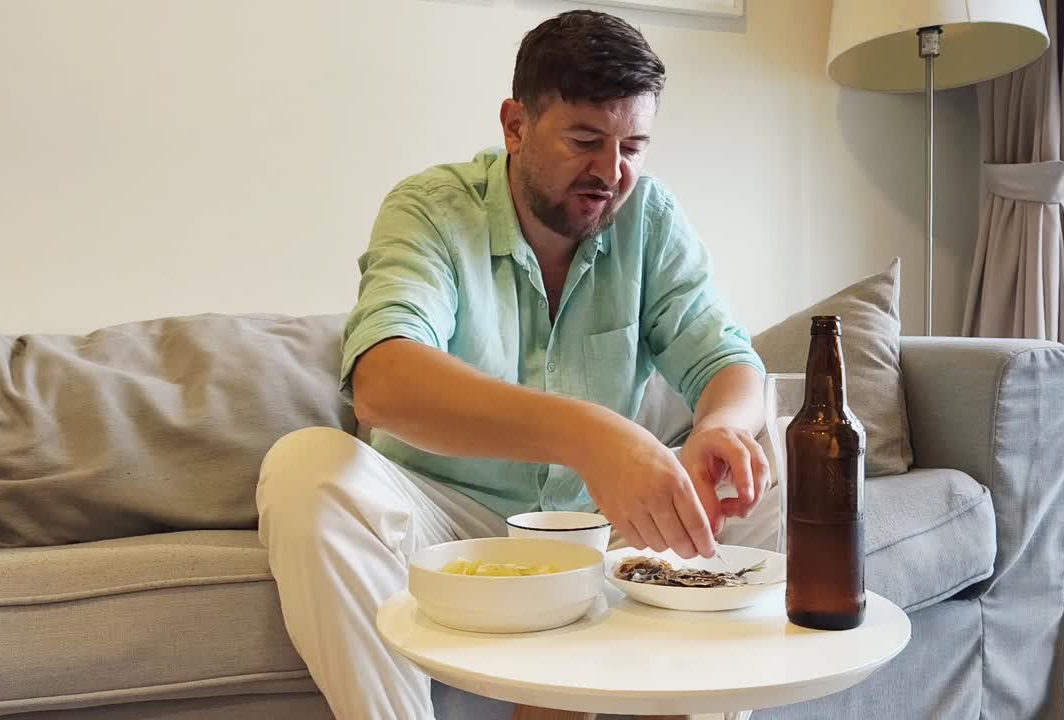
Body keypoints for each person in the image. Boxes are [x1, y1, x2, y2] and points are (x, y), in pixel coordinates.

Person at [256, 10, 778, 720]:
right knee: (304, 469)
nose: (612, 171)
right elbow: (382, 381)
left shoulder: (649, 218)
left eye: (634, 145)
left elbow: (731, 361)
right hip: (452, 516)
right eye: (586, 140)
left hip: (600, 528)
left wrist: (722, 428)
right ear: (515, 125)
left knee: (767, 490)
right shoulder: (431, 210)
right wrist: (592, 436)